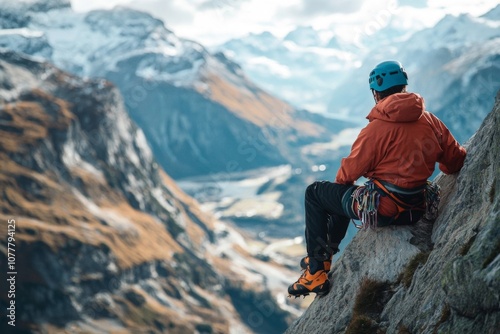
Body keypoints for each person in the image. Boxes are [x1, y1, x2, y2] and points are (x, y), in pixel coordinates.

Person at [287, 60, 467, 297]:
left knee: (316, 193)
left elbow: (347, 174)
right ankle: (320, 260)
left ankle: (316, 272)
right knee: (344, 196)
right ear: (404, 86)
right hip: (418, 207)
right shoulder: (431, 120)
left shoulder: (377, 129)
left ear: (376, 92)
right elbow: (454, 162)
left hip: (386, 211)